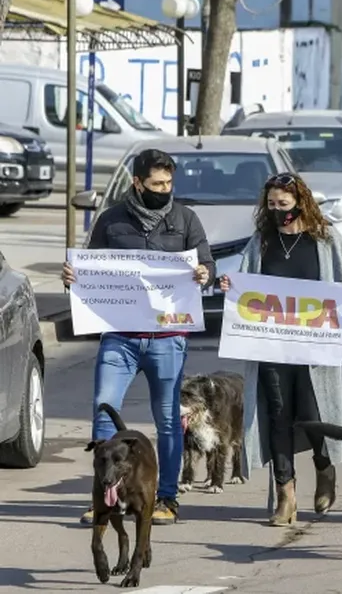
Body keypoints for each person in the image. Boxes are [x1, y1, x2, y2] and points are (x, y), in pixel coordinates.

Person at [64, 149, 215, 525]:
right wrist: (73, 278)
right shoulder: (111, 220)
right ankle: (103, 499)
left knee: (168, 421)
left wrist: (203, 273)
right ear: (137, 183)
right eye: (156, 184)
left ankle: (166, 498)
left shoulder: (185, 219)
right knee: (104, 413)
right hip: (120, 338)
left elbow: (207, 262)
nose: (165, 190)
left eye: (169, 183)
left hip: (167, 338)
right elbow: (91, 269)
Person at [216, 173, 342, 526]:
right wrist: (229, 285)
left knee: (315, 413)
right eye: (271, 204)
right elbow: (244, 280)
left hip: (315, 348)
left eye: (283, 204)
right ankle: (286, 494)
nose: (277, 211)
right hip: (272, 346)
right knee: (279, 415)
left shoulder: (325, 239)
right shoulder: (262, 241)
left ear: (301, 202)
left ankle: (324, 467)